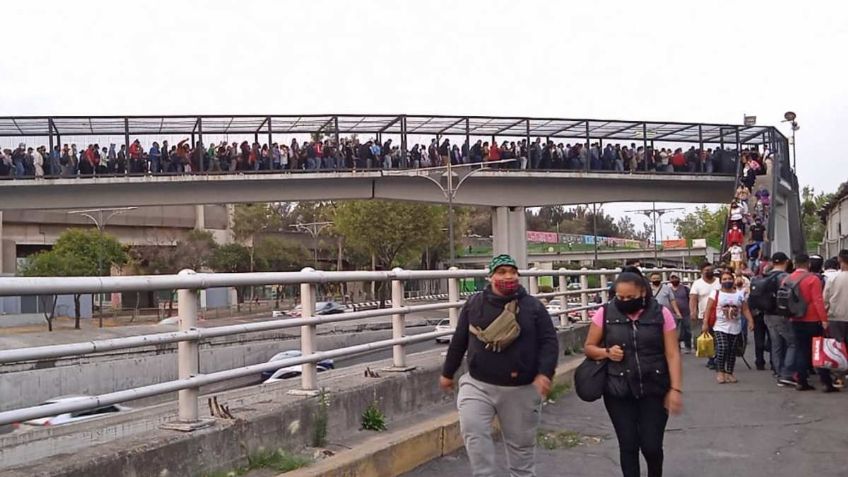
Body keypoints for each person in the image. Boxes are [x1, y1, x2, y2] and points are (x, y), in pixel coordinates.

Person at [440, 254, 559, 477]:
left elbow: (549, 343)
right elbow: (459, 340)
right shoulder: (474, 304)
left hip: (520, 390)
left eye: (512, 272)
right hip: (477, 385)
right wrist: (448, 372)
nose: (508, 276)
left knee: (520, 454)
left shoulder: (533, 307)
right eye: (502, 272)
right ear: (491, 276)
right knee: (473, 432)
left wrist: (545, 374)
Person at [584, 269, 682, 477]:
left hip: (654, 389)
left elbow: (672, 354)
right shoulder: (605, 313)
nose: (625, 301)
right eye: (620, 297)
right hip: (618, 390)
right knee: (628, 445)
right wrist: (607, 352)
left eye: (630, 297)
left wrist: (675, 389)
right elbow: (589, 347)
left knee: (651, 446)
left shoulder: (661, 314)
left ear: (643, 293)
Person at [787, 253, 836, 392]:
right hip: (812, 319)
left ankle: (801, 380)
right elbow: (818, 301)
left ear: (795, 263)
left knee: (801, 349)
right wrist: (824, 319)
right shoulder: (812, 279)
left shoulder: (788, 279)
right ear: (808, 264)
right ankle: (826, 381)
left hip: (795, 318)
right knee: (818, 350)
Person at [703, 270, 754, 383]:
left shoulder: (739, 294)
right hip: (719, 326)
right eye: (724, 279)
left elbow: (745, 309)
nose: (727, 281)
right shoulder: (715, 293)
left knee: (732, 351)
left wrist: (750, 321)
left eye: (729, 279)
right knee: (723, 347)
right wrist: (705, 323)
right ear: (721, 282)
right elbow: (708, 309)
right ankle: (720, 372)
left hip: (735, 326)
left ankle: (729, 373)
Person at [689, 262, 721, 369]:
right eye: (706, 270)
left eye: (711, 270)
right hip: (704, 315)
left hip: (719, 315)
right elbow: (693, 298)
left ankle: (717, 358)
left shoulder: (719, 282)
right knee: (708, 337)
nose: (709, 272)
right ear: (701, 272)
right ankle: (711, 359)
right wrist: (693, 311)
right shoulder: (697, 284)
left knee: (718, 337)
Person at [824, 249, 848, 388]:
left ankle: (839, 378)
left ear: (840, 261)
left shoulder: (832, 278)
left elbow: (825, 299)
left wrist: (824, 318)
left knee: (838, 347)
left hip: (835, 316)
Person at [668, 274, 693, 353]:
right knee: (674, 331)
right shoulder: (668, 290)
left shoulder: (685, 289)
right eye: (672, 278)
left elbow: (691, 299)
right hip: (673, 314)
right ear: (669, 280)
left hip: (686, 313)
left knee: (687, 330)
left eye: (676, 278)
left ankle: (688, 346)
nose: (674, 279)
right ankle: (676, 347)